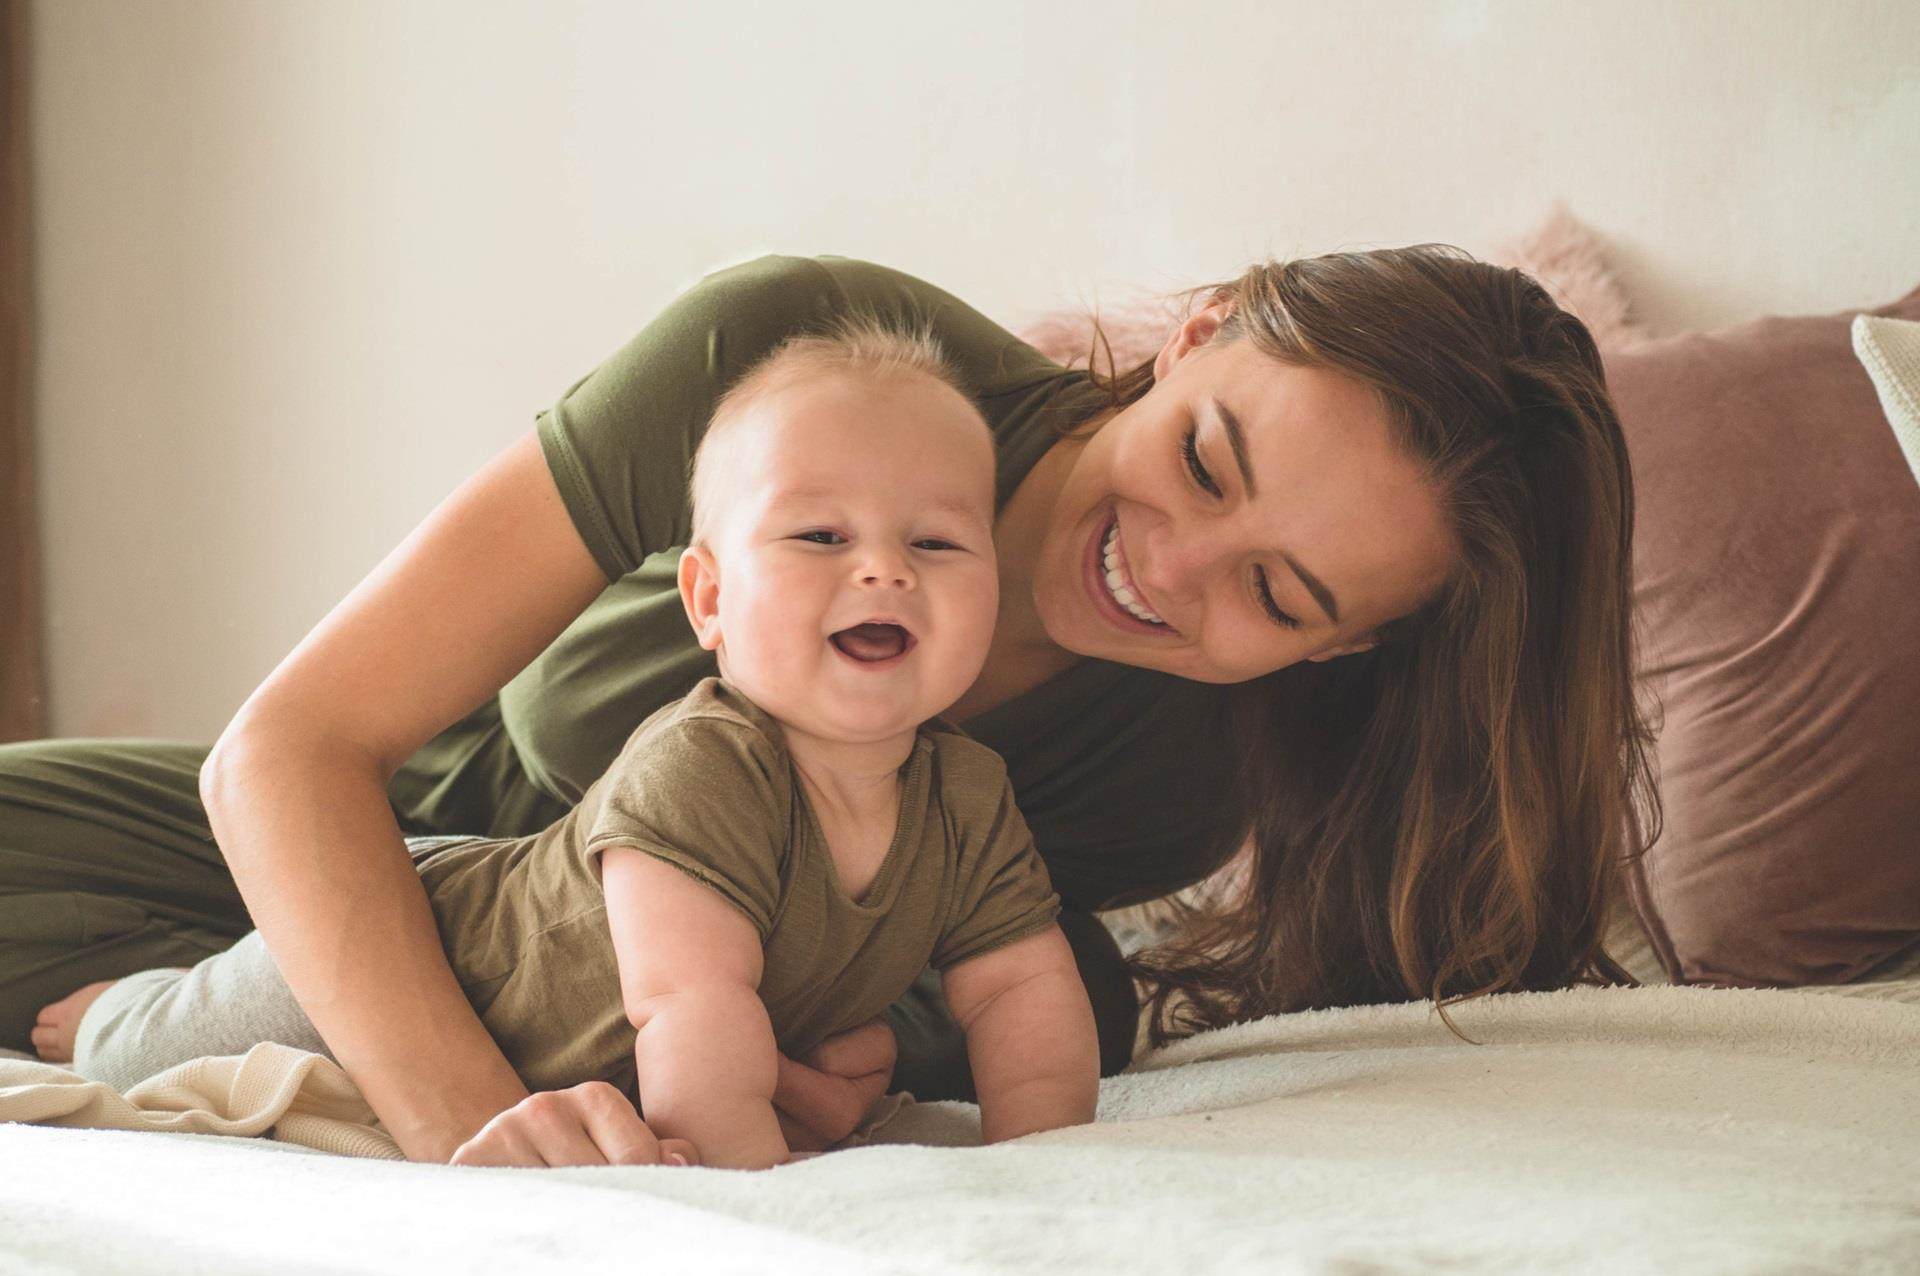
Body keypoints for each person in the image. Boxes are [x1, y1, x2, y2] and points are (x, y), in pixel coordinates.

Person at [0, 248, 1658, 1167]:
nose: (1167, 563)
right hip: (324, 855)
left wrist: (816, 1070)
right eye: (1207, 457)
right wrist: (485, 1146)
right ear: (1196, 332)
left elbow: (881, 983)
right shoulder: (799, 359)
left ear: (1337, 656)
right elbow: (287, 751)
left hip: (596, 1013)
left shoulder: (1172, 787)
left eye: (1279, 597)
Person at [31, 322, 1100, 1170]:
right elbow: (690, 1005)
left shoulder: (966, 792)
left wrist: (1046, 1155)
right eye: (821, 535)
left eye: (934, 541)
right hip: (433, 943)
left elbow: (1020, 990)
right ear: (710, 598)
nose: (884, 570)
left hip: (555, 1028)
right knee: (155, 1051)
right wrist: (753, 1181)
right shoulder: (710, 763)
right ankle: (114, 1002)